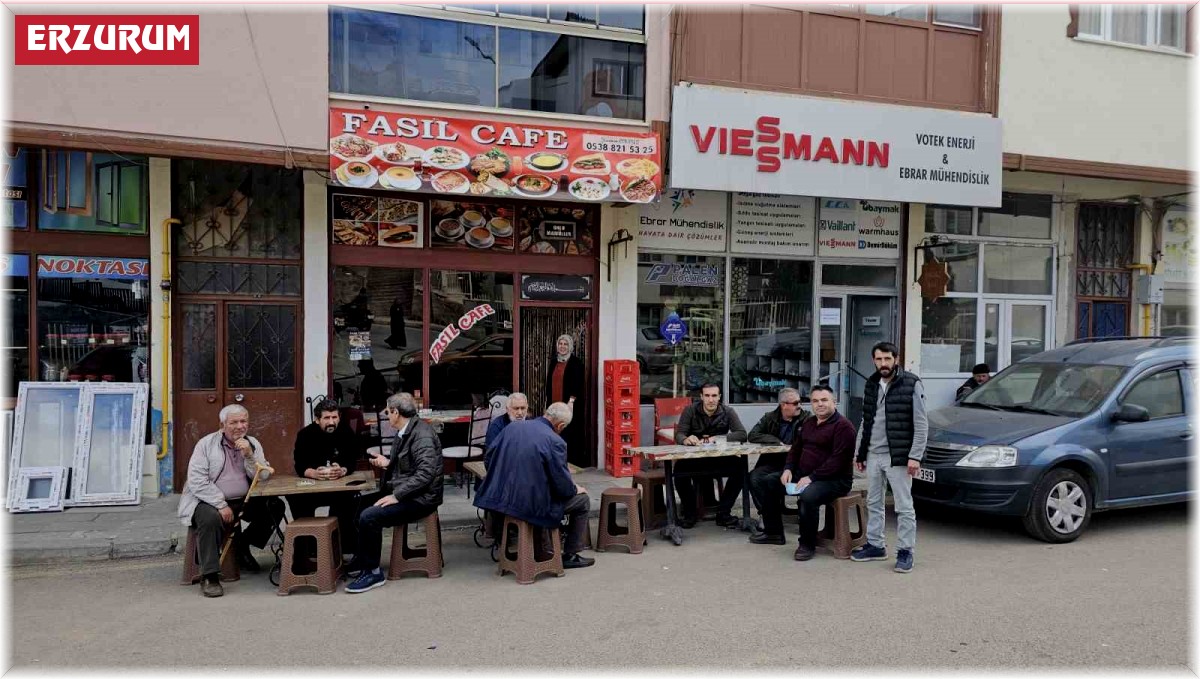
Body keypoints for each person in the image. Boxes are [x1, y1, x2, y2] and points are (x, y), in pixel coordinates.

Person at [176, 404, 285, 598]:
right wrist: (220, 504)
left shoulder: (252, 443)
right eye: (234, 422)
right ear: (222, 424)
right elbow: (196, 481)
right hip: (208, 500)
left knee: (275, 506)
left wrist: (250, 456)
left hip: (243, 499)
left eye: (243, 421)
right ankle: (209, 576)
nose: (239, 426)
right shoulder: (206, 444)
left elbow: (263, 476)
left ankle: (242, 545)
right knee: (209, 519)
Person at [474, 402, 595, 569]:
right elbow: (562, 487)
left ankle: (540, 547)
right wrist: (575, 489)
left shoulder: (512, 428)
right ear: (560, 425)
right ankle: (571, 554)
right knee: (583, 501)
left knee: (544, 493)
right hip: (530, 505)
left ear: (546, 413)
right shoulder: (555, 441)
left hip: (499, 499)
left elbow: (489, 457)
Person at [344, 393, 444, 594]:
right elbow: (410, 466)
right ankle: (362, 559)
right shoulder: (405, 430)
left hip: (422, 499)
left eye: (388, 411)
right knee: (353, 505)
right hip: (408, 492)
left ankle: (373, 572)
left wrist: (396, 496)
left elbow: (425, 474)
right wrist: (388, 463)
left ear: (396, 412)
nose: (386, 414)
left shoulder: (421, 435)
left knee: (370, 515)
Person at [749, 386, 856, 558]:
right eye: (815, 401)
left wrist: (812, 478)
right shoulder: (809, 423)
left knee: (808, 495)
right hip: (805, 474)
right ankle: (773, 532)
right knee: (767, 481)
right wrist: (788, 469)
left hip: (835, 480)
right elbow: (795, 450)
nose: (819, 404)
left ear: (833, 402)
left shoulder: (844, 427)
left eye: (824, 400)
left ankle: (807, 544)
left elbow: (838, 460)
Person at [851, 341, 927, 574]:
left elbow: (921, 423)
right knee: (873, 503)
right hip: (874, 454)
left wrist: (915, 456)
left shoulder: (911, 383)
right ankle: (875, 545)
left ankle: (905, 551)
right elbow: (866, 420)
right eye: (878, 359)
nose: (883, 363)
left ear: (896, 359)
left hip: (899, 456)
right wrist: (860, 452)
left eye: (887, 359)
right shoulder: (871, 384)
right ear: (873, 360)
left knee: (904, 507)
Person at [289, 400, 364, 560]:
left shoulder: (345, 431)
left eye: (334, 417)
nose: (331, 422)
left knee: (348, 501)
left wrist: (342, 469)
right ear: (317, 419)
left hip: (337, 487)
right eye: (327, 418)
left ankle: (341, 548)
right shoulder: (305, 434)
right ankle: (306, 551)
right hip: (312, 488)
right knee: (298, 501)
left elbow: (352, 459)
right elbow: (300, 464)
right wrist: (314, 473)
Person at [673, 383, 747, 529]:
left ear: (719, 397)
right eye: (707, 396)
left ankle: (724, 513)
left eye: (714, 396)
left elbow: (742, 433)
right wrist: (686, 439)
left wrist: (718, 438)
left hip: (720, 457)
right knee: (679, 470)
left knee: (741, 469)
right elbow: (679, 434)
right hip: (695, 458)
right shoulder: (690, 410)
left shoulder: (728, 411)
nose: (711, 399)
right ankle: (690, 514)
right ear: (701, 397)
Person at [746, 388, 809, 530]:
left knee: (775, 480)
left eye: (800, 402)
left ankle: (785, 513)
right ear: (783, 405)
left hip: (796, 464)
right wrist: (775, 440)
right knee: (754, 477)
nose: (799, 405)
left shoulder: (807, 418)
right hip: (774, 462)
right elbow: (753, 435)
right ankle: (766, 515)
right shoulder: (770, 417)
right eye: (795, 403)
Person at [545, 334, 586, 466]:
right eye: (560, 344)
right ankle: (557, 460)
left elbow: (578, 384)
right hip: (555, 404)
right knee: (555, 430)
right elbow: (548, 383)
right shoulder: (554, 361)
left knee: (570, 431)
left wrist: (571, 401)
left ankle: (572, 460)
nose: (562, 347)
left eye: (565, 344)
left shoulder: (576, 363)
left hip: (569, 404)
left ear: (570, 347)